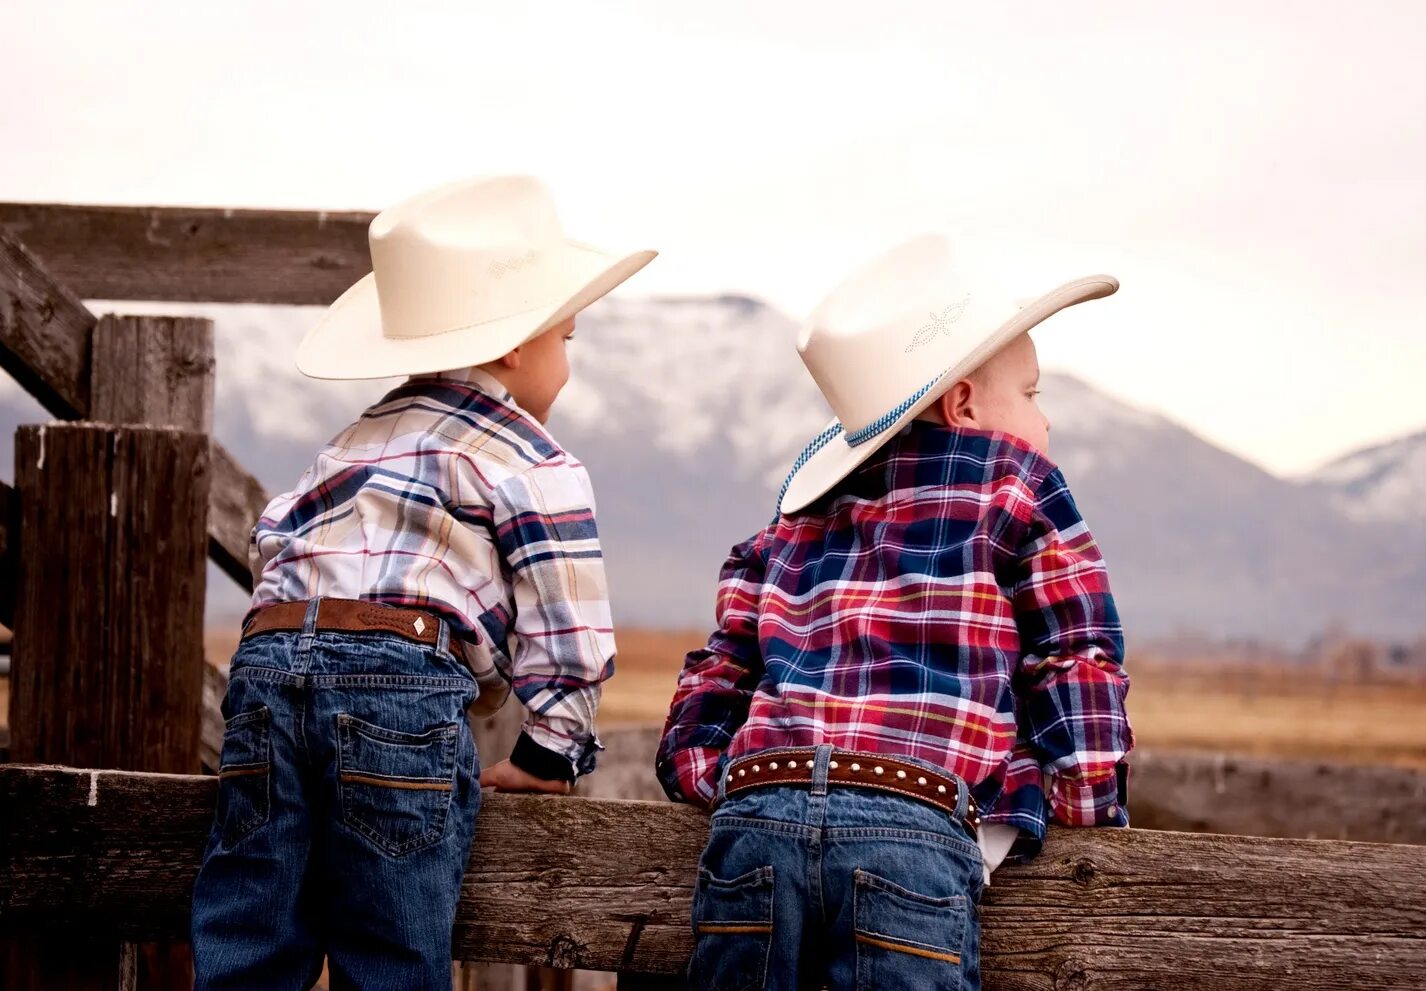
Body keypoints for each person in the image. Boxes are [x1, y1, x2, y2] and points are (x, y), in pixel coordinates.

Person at [191, 174, 654, 990]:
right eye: (568, 341)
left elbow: (275, 540)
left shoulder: (351, 440)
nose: (569, 368)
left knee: (250, 933)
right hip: (395, 683)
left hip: (265, 667)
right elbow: (572, 639)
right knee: (393, 948)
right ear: (516, 344)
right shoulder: (533, 458)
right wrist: (550, 752)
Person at [657, 235, 1132, 991]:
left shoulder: (786, 525)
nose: (1048, 422)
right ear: (965, 404)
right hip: (908, 822)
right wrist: (1084, 799)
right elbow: (1075, 656)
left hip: (757, 816)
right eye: (1034, 394)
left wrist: (716, 777)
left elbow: (718, 671)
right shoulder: (1019, 484)